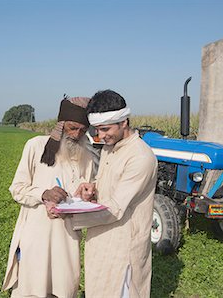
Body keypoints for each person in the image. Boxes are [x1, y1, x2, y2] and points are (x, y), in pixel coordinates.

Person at [2, 96, 94, 298]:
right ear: (61, 125)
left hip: (68, 239)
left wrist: (87, 195)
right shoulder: (36, 146)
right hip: (36, 236)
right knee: (32, 289)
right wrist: (43, 194)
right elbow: (17, 188)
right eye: (72, 128)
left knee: (63, 289)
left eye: (82, 130)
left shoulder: (88, 157)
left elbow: (89, 195)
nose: (76, 134)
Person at [71, 90, 158, 298]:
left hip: (122, 245)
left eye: (106, 129)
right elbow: (108, 187)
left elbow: (116, 208)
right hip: (100, 239)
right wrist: (92, 188)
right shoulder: (110, 148)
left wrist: (70, 217)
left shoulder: (140, 157)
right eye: (98, 130)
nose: (101, 136)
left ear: (124, 122)